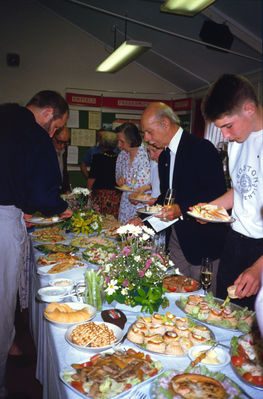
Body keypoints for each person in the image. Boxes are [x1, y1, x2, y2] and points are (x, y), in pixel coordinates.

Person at [0, 90, 72, 398]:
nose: (54, 133)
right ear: (48, 113)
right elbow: (43, 194)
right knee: (2, 303)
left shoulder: (4, 113)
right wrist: (61, 208)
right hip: (3, 218)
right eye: (57, 127)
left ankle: (9, 344)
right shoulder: (35, 135)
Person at [141, 102, 228, 290]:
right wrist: (142, 218)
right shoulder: (164, 156)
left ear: (165, 123)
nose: (147, 138)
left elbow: (215, 193)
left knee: (203, 302)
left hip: (203, 242)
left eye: (149, 132)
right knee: (176, 293)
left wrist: (181, 208)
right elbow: (167, 195)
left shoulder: (201, 148)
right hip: (177, 239)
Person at [201, 73, 263, 309]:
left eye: (227, 126)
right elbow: (243, 189)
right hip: (235, 241)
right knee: (223, 314)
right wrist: (210, 208)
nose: (225, 136)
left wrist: (259, 269)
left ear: (248, 109)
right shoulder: (237, 140)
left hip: (261, 250)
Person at [115, 122, 151, 224]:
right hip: (126, 204)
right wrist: (119, 180)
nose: (119, 145)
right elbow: (118, 176)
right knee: (124, 234)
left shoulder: (149, 153)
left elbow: (159, 182)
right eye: (118, 141)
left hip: (144, 204)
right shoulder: (122, 155)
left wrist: (144, 188)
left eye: (122, 141)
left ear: (132, 139)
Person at [87, 131, 121, 218]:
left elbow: (92, 178)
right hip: (115, 195)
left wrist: (89, 193)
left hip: (100, 195)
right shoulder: (119, 158)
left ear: (103, 143)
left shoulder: (97, 158)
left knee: (99, 220)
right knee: (112, 221)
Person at [53, 126, 71, 194]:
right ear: (53, 137)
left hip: (61, 190)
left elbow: (64, 170)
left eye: (65, 143)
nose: (63, 146)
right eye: (59, 142)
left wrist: (67, 189)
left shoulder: (64, 149)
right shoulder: (45, 150)